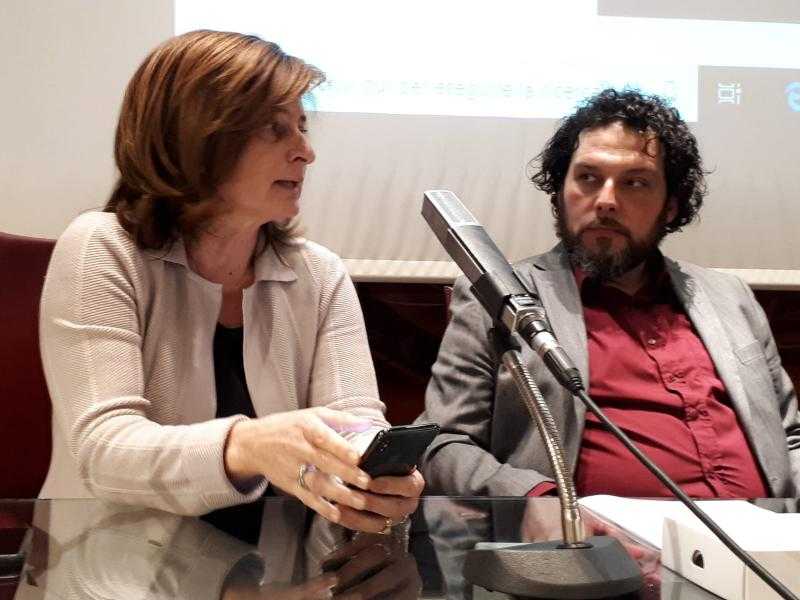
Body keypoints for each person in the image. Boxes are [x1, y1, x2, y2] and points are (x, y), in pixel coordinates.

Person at [39, 30, 423, 532]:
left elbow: (354, 420)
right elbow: (104, 449)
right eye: (275, 129)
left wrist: (376, 473)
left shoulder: (320, 274)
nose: (306, 152)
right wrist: (247, 446)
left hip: (278, 561)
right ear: (197, 138)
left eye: (302, 127)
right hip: (110, 556)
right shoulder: (101, 247)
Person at [417, 88, 800, 498]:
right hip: (590, 537)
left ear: (670, 206)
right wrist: (541, 505)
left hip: (767, 530)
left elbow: (789, 437)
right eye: (588, 178)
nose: (606, 201)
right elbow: (443, 443)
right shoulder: (497, 296)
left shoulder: (729, 295)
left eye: (635, 182)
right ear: (559, 192)